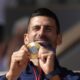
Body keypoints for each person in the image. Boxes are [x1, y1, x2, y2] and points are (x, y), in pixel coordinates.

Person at [0, 8, 80, 80]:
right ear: (26, 39)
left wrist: (52, 75)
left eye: (48, 29)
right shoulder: (12, 77)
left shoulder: (73, 77)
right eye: (36, 28)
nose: (41, 33)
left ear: (58, 39)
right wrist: (11, 76)